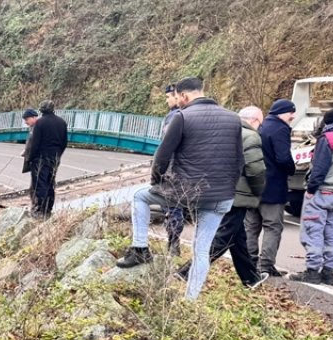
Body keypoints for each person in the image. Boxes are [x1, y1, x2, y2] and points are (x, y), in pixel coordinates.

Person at [115, 77, 243, 301]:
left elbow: (162, 157)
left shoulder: (182, 117)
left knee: (140, 197)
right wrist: (228, 189)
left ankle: (140, 249)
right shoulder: (233, 119)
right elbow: (239, 161)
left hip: (186, 192)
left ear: (183, 96)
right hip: (221, 196)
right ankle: (190, 300)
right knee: (201, 250)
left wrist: (157, 182)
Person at [176, 106, 268, 289]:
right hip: (237, 195)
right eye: (261, 123)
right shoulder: (250, 136)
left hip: (215, 189)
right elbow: (256, 169)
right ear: (255, 121)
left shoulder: (222, 132)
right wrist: (259, 190)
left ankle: (251, 278)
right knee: (223, 237)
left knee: (237, 237)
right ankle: (186, 272)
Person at [288, 107, 333, 285]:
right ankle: (329, 273)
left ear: (328, 121)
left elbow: (320, 168)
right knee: (332, 234)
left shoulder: (328, 139)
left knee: (313, 231)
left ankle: (312, 271)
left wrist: (311, 189)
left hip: (323, 192)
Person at [254, 99, 298, 277]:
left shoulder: (261, 127)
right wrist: (292, 169)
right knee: (272, 226)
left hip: (255, 186)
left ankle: (250, 260)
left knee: (252, 226)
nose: (292, 116)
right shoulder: (280, 129)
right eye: (290, 113)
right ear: (281, 113)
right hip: (273, 186)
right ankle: (266, 264)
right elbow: (283, 158)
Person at [160, 84, 190, 256]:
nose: (168, 100)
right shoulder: (183, 115)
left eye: (168, 97)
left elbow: (167, 146)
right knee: (176, 207)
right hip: (182, 170)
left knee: (173, 208)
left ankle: (173, 245)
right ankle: (173, 243)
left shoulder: (175, 117)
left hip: (173, 170)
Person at [25, 100, 68, 218]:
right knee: (50, 182)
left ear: (41, 110)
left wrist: (30, 157)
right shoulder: (62, 122)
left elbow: (35, 143)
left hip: (41, 157)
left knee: (40, 183)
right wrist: (58, 154)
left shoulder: (40, 123)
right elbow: (64, 142)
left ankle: (40, 209)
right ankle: (49, 208)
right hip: (55, 157)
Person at [20, 108, 40, 175]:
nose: (25, 122)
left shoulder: (40, 127)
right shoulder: (32, 127)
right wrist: (26, 151)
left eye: (26, 119)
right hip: (33, 159)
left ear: (34, 117)